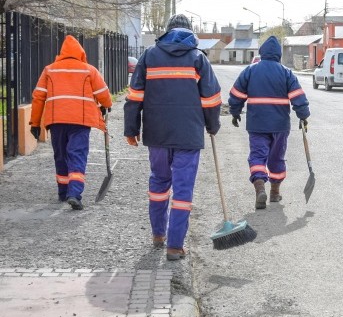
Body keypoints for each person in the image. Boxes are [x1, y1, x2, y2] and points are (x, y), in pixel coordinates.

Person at [124, 14, 221, 260]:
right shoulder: (198, 58)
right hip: (188, 136)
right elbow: (211, 99)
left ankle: (158, 235)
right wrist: (212, 125)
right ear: (190, 32)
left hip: (157, 134)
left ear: (167, 32)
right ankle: (175, 246)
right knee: (183, 190)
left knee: (158, 183)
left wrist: (131, 129)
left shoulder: (149, 56)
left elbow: (135, 96)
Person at [30, 35, 113, 210]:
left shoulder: (49, 70)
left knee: (60, 155)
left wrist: (35, 123)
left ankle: (63, 191)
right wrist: (106, 105)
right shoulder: (89, 70)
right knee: (77, 154)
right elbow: (103, 93)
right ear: (81, 53)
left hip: (56, 120)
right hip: (80, 122)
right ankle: (74, 193)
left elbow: (38, 97)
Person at [228, 35, 310, 209]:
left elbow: (236, 94)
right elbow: (297, 96)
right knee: (276, 158)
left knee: (257, 156)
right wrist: (303, 116)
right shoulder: (286, 73)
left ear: (262, 53)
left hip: (257, 124)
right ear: (279, 55)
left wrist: (235, 112)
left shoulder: (250, 71)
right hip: (280, 126)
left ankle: (259, 189)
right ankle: (274, 192)